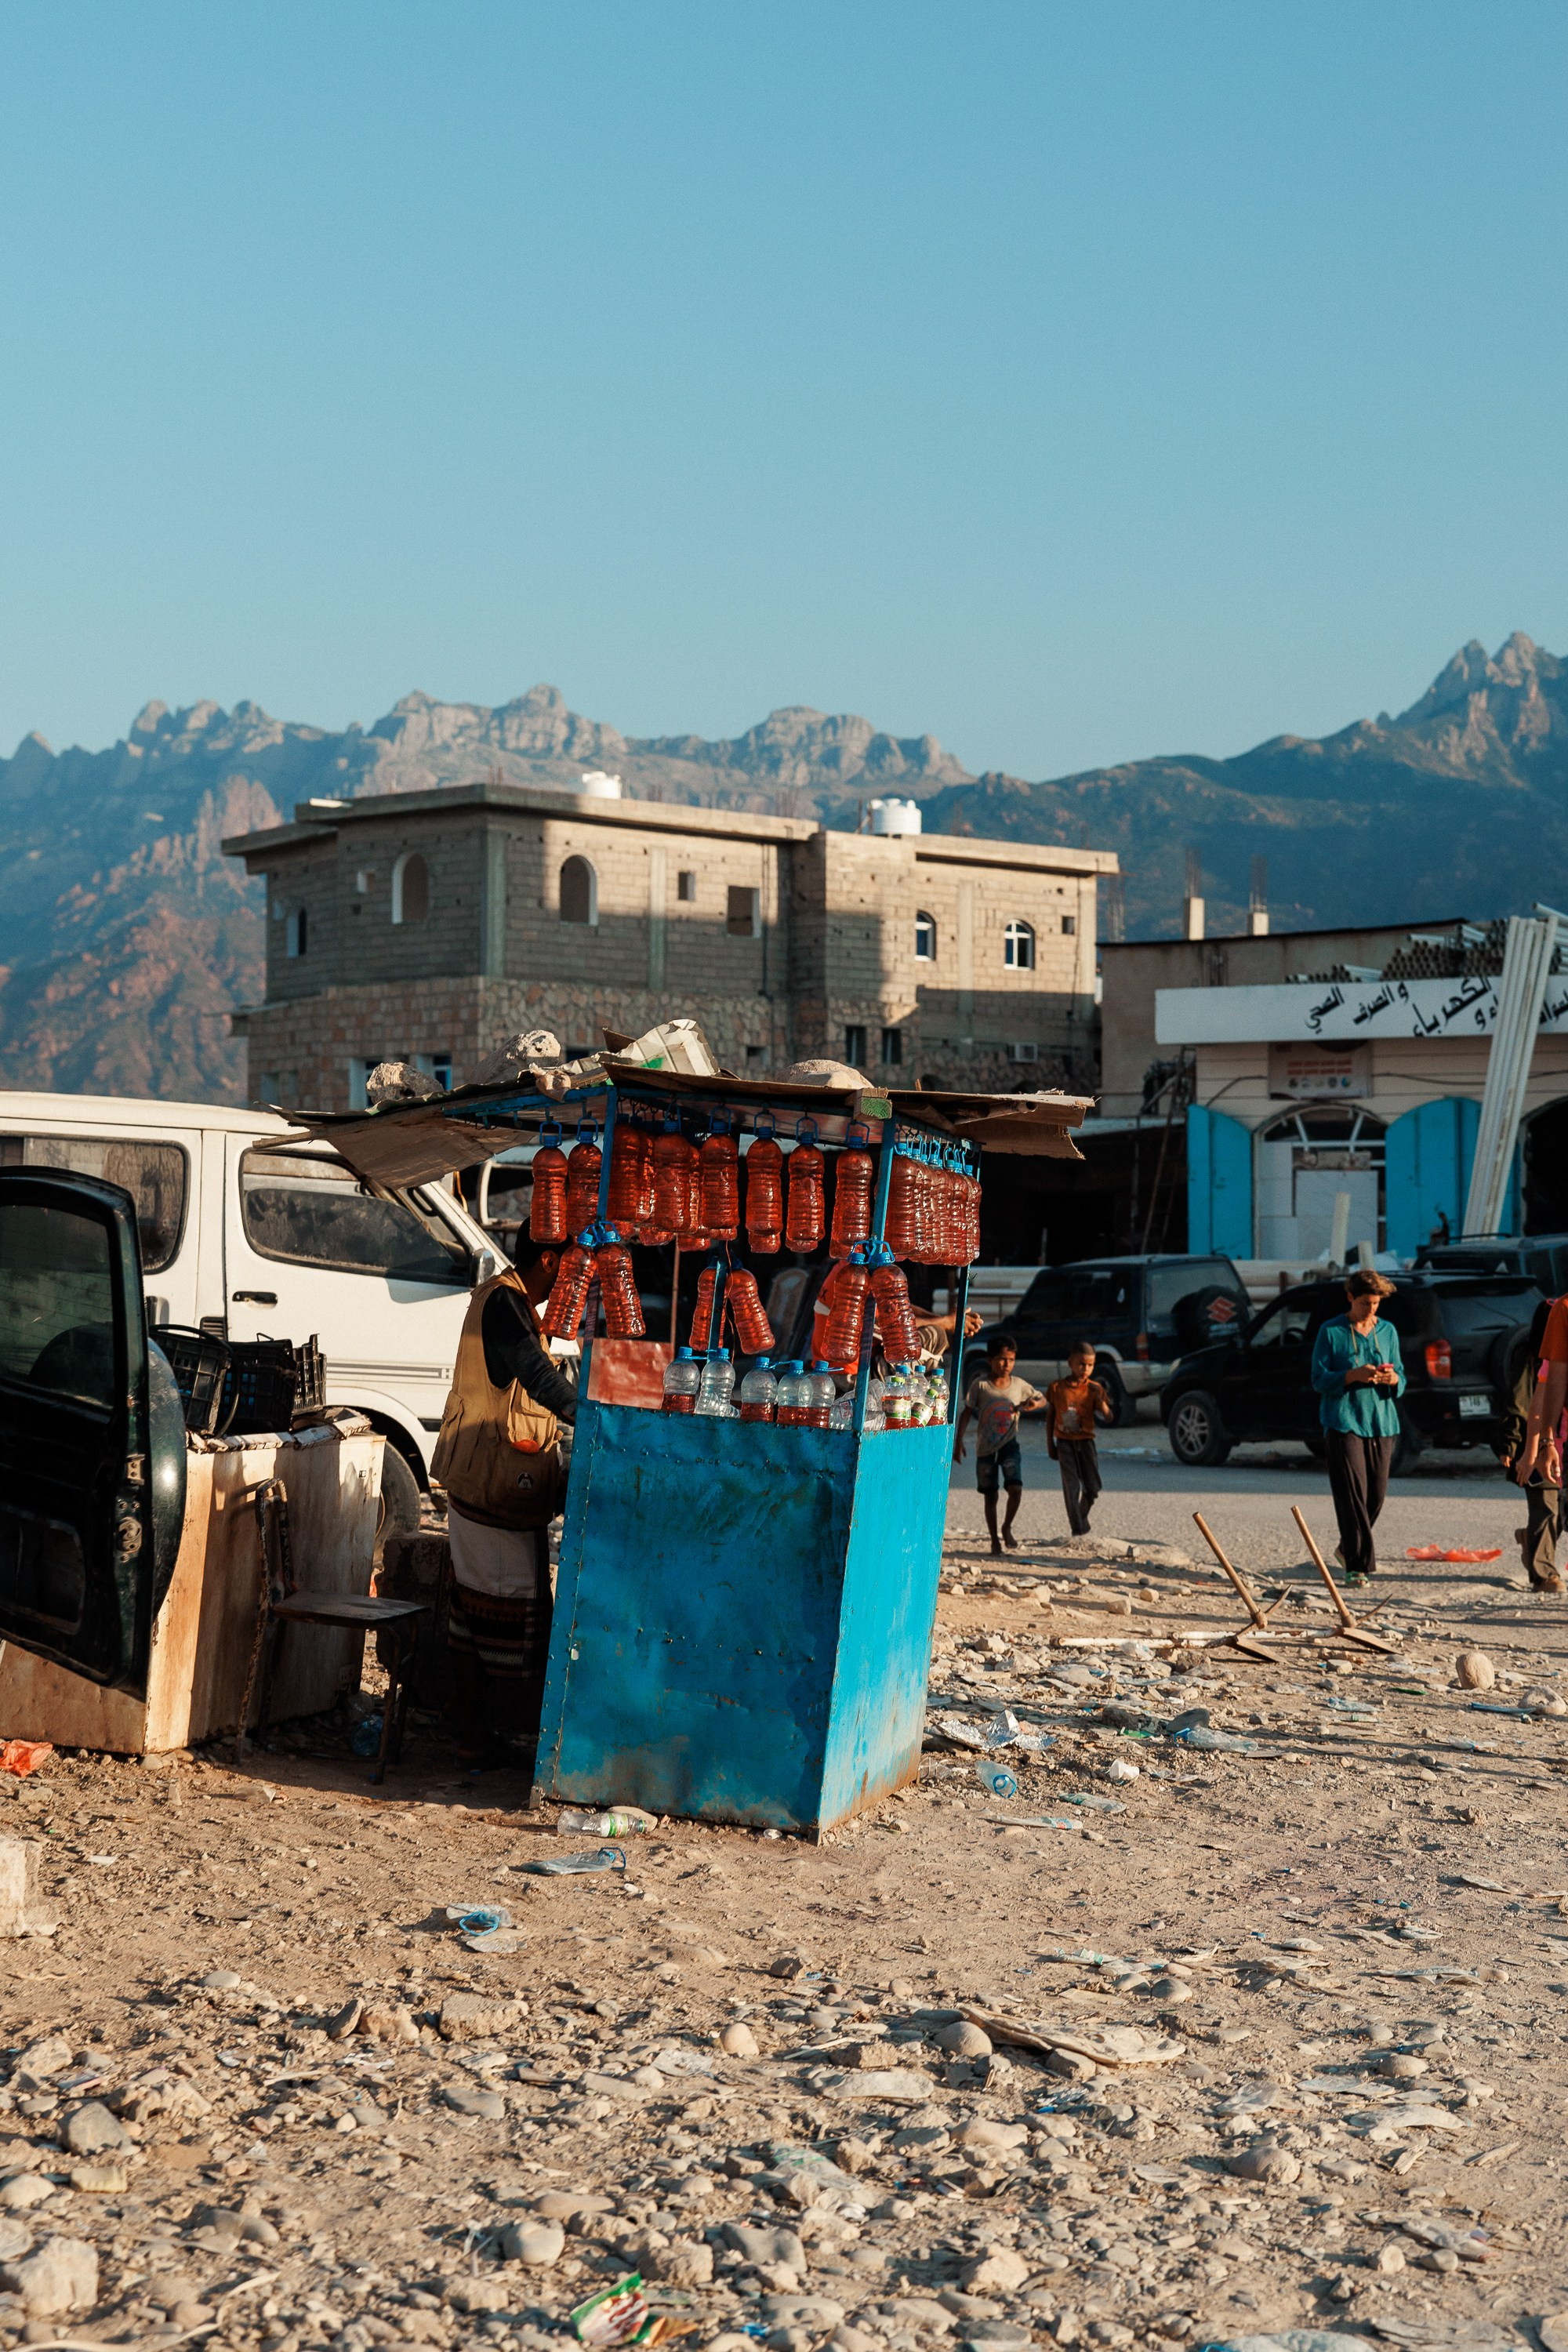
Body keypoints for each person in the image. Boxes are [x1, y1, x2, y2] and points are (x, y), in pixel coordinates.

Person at [430, 1233, 579, 1766]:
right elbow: (536, 1376)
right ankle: (480, 1734)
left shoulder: (509, 1300)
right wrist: (590, 1416)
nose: (579, 1280)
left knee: (472, 1611)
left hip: (486, 1482)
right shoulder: (504, 1303)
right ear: (550, 1261)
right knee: (504, 1616)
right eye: (575, 1266)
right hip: (490, 1487)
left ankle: (469, 1724)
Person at [1309, 1269, 1406, 1581]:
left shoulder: (1388, 1331)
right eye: (1365, 1303)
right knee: (1352, 1495)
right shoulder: (1331, 1331)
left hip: (1382, 1422)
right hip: (1343, 1421)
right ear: (1350, 1298)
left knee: (1375, 1496)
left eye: (1376, 1303)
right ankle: (1357, 1566)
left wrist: (1393, 1379)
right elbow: (1318, 1379)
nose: (1371, 1309)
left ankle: (1346, 1547)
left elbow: (1402, 1376)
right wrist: (1352, 1375)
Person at [954, 1336, 1047, 1555]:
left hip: (1009, 1445)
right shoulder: (980, 1385)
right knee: (991, 1495)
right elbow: (966, 1413)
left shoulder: (1019, 1385)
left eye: (1011, 1360)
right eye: (1002, 1359)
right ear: (990, 1360)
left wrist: (1034, 1404)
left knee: (1016, 1489)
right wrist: (958, 1442)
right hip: (986, 1448)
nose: (1007, 1364)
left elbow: (1042, 1399)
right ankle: (994, 1539)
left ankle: (1007, 1527)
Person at [1501, 1295, 1561, 1594]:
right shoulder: (1530, 1358)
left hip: (1557, 1442)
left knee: (1558, 1513)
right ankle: (1543, 1576)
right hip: (1536, 1442)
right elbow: (1522, 1403)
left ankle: (1530, 1540)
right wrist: (1515, 1444)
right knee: (1545, 1509)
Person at [1044, 1338, 1116, 1537]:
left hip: (1086, 1443)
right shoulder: (1057, 1388)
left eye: (1090, 1365)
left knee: (1092, 1488)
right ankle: (1077, 1530)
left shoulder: (1095, 1389)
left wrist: (1102, 1403)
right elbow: (1050, 1417)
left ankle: (1081, 1519)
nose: (1086, 1369)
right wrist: (1050, 1444)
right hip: (1065, 1443)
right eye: (1082, 1364)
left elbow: (1109, 1417)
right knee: (1072, 1487)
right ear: (1071, 1363)